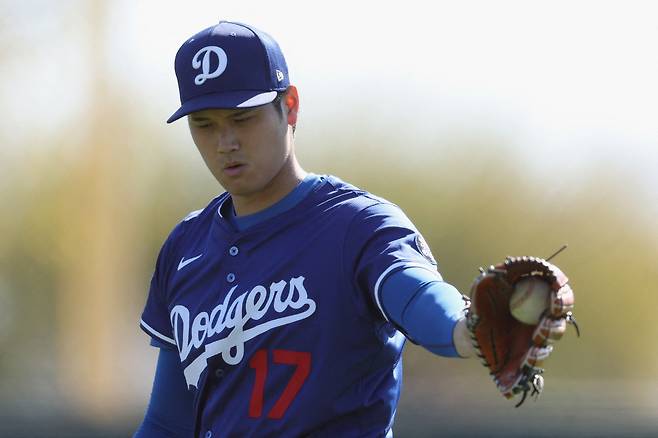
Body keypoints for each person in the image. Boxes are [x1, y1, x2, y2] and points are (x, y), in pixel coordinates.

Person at [135, 20, 475, 438]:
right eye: (204, 124)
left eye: (243, 118)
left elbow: (418, 296)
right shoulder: (185, 247)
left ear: (290, 106)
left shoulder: (355, 224)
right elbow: (168, 424)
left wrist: (467, 329)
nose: (225, 142)